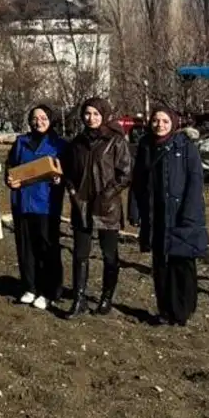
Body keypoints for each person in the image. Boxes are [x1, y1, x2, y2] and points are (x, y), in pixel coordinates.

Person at [130, 107, 209, 326]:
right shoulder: (146, 147)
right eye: (156, 120)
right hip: (155, 214)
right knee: (160, 264)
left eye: (165, 121)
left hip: (180, 214)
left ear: (173, 123)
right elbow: (137, 180)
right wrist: (135, 208)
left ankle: (183, 310)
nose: (160, 125)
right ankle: (165, 310)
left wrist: (190, 214)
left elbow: (195, 182)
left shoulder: (186, 147)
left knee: (182, 263)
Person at [62, 97, 132, 316]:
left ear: (103, 115)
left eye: (95, 114)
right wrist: (72, 190)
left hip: (106, 207)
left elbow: (125, 173)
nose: (90, 118)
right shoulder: (77, 143)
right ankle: (79, 298)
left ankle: (106, 298)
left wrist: (108, 194)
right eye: (87, 114)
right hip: (81, 205)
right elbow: (69, 171)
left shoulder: (115, 141)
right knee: (80, 254)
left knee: (109, 254)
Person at [6, 105, 67, 311]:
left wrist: (60, 179)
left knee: (47, 249)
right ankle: (29, 286)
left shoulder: (59, 144)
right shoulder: (21, 142)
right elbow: (11, 166)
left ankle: (49, 291)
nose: (38, 121)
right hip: (23, 203)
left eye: (43, 118)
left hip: (46, 204)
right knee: (26, 248)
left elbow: (66, 172)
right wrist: (10, 179)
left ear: (50, 120)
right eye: (34, 118)